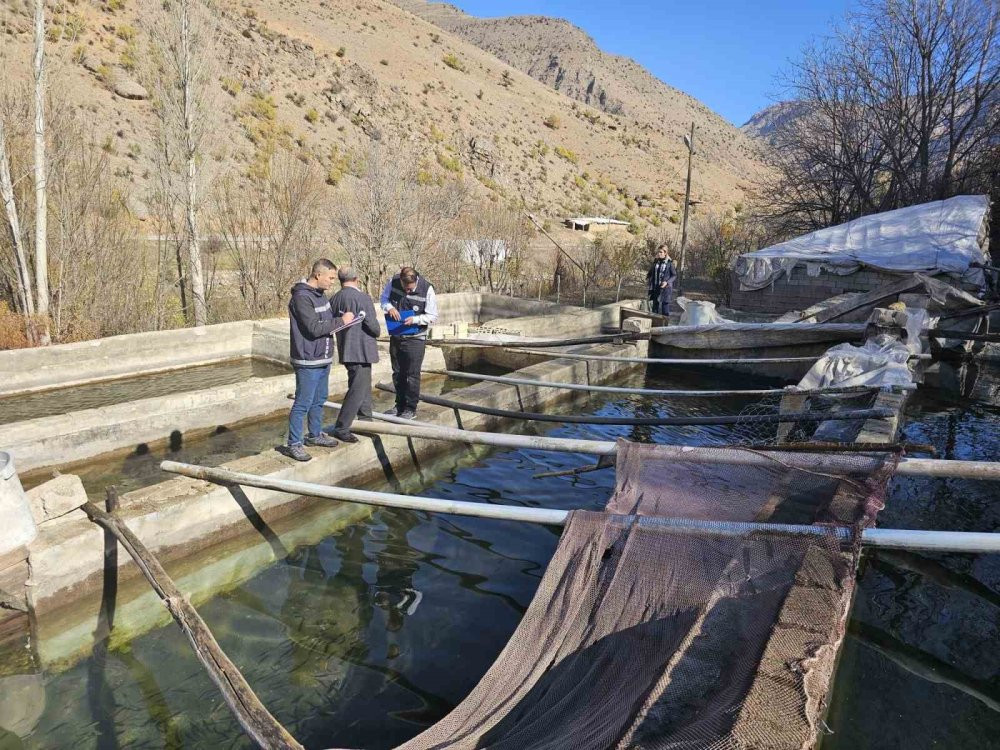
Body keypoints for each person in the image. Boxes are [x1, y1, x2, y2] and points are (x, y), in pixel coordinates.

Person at [283, 259, 355, 462]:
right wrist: (341, 321)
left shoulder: (320, 295)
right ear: (318, 275)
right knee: (303, 403)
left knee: (319, 399)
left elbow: (326, 321)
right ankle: (294, 444)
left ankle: (314, 435)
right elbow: (314, 328)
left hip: (323, 357)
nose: (332, 282)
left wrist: (340, 319)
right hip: (307, 359)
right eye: (330, 278)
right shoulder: (301, 298)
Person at [380, 266, 438, 419]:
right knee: (398, 372)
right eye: (405, 288)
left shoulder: (427, 289)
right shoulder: (393, 282)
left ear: (416, 281)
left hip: (415, 338)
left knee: (412, 374)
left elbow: (432, 316)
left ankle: (410, 408)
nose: (407, 291)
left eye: (410, 289)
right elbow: (384, 299)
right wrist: (389, 307)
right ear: (400, 280)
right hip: (397, 335)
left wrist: (416, 319)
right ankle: (399, 405)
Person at [330, 266, 381, 442]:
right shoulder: (362, 298)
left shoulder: (335, 298)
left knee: (362, 386)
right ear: (357, 279)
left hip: (346, 348)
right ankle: (342, 427)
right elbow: (373, 326)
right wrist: (378, 331)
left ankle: (366, 421)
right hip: (361, 350)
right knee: (357, 390)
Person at [646, 244, 677, 317]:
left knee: (665, 309)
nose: (659, 254)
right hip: (655, 287)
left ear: (665, 253)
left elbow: (674, 275)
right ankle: (655, 322)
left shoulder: (669, 263)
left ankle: (665, 323)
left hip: (665, 288)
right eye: (658, 252)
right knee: (654, 308)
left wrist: (667, 282)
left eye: (661, 252)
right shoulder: (656, 261)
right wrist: (648, 278)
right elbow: (651, 272)